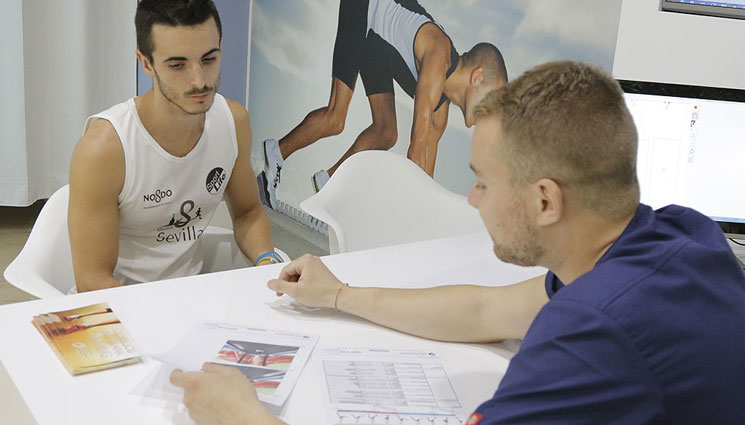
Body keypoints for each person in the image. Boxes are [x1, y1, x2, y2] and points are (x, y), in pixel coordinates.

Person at [170, 61, 745, 424]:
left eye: (483, 182)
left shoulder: (593, 332)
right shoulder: (678, 234)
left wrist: (242, 417)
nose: (472, 199)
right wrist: (340, 294)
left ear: (546, 201)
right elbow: (487, 309)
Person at [68, 0, 280, 293]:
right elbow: (93, 280)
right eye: (177, 64)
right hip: (121, 307)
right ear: (146, 63)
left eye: (209, 59)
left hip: (191, 298)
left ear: (220, 46)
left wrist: (267, 265)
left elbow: (248, 213)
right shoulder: (105, 149)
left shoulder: (233, 121)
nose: (199, 81)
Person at [257, 0, 508, 208]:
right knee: (335, 118)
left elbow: (423, 180)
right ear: (476, 77)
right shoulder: (438, 55)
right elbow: (416, 151)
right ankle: (275, 153)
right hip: (365, 8)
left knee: (385, 132)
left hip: (377, 44)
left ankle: (328, 182)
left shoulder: (440, 113)